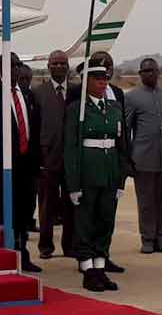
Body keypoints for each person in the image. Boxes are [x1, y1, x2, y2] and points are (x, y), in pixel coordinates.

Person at [64, 57, 128, 292]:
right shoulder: (76, 110)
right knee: (85, 223)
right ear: (86, 82)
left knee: (105, 222)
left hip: (109, 173)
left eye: (105, 79)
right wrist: (73, 184)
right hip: (87, 174)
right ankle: (88, 269)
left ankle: (100, 268)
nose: (103, 83)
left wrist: (121, 177)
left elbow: (122, 146)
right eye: (97, 79)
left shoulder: (114, 108)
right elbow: (70, 149)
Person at [0, 52, 42, 272]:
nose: (16, 69)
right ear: (2, 69)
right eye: (12, 66)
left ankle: (22, 252)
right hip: (3, 165)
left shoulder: (27, 95)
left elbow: (34, 130)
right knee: (2, 210)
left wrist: (37, 163)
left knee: (25, 210)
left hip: (26, 165)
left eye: (18, 65)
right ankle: (0, 256)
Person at [32, 50, 76, 259]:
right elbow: (35, 126)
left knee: (71, 205)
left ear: (68, 66)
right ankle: (46, 246)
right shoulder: (39, 92)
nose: (59, 67)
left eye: (62, 63)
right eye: (55, 63)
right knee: (47, 205)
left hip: (71, 159)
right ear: (48, 67)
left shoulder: (76, 92)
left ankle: (69, 245)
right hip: (47, 158)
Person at [125, 58, 162, 254]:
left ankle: (161, 237)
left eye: (151, 70)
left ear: (158, 72)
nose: (148, 74)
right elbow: (126, 130)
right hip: (143, 159)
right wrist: (127, 158)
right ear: (140, 74)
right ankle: (147, 239)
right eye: (144, 71)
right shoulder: (132, 97)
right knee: (145, 201)